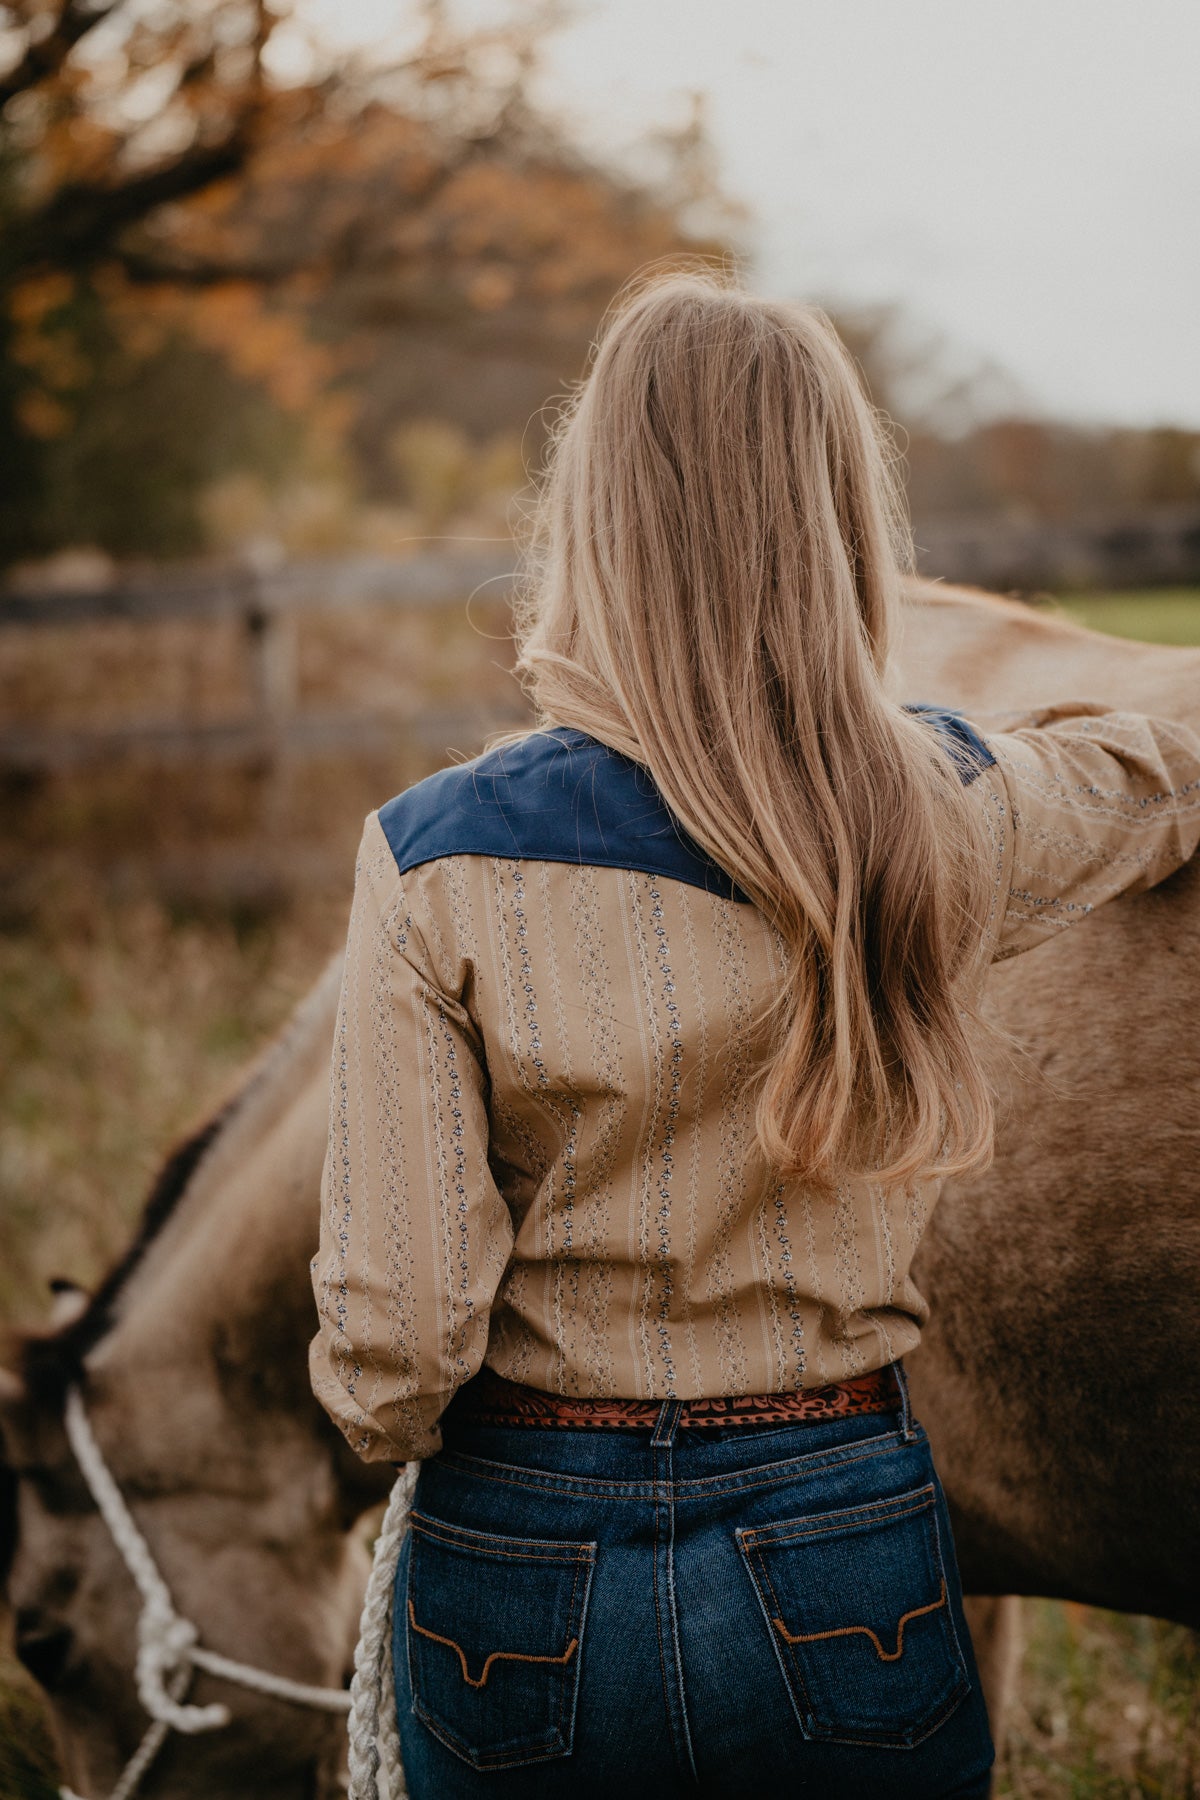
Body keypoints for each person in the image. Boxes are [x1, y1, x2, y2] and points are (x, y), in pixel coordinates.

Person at [309, 273, 1200, 1799]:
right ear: (840, 520)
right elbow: (1157, 775)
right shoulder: (946, 817)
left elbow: (398, 1339)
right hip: (840, 1534)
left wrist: (388, 1426)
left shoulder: (431, 860)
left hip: (519, 1550)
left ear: (592, 516)